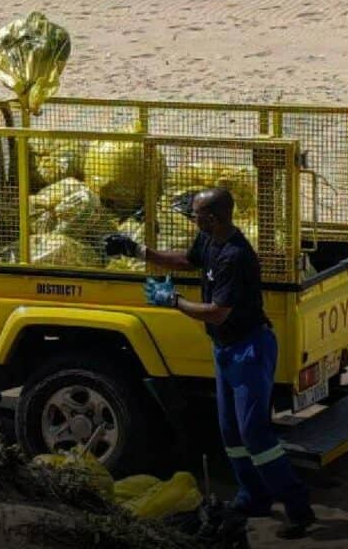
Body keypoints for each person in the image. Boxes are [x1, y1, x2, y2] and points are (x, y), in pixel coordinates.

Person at [104, 187, 316, 540]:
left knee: (255, 434)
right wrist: (138, 250)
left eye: (197, 212)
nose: (192, 216)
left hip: (250, 350)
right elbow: (188, 261)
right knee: (230, 433)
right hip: (225, 350)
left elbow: (218, 313)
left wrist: (174, 301)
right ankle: (253, 498)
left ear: (213, 218)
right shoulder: (209, 240)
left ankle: (298, 509)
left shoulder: (235, 256)